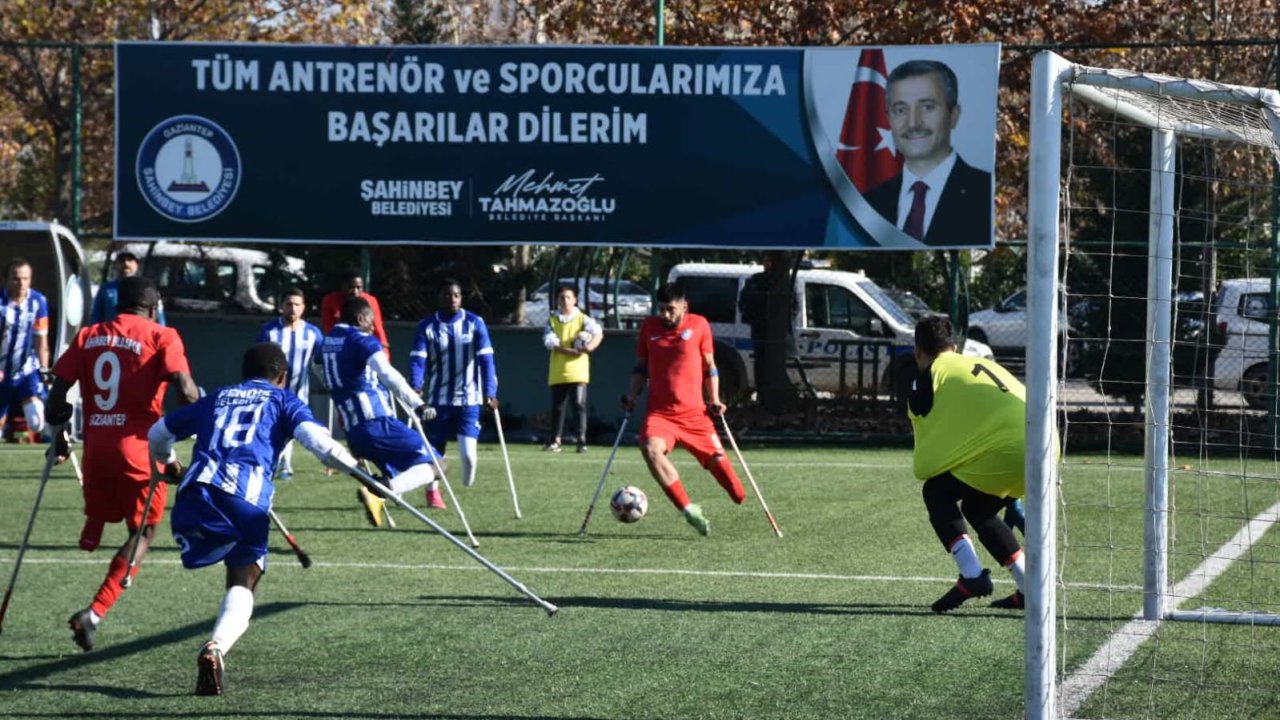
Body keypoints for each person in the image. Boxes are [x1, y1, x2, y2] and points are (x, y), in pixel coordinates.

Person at [146, 342, 360, 695]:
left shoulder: (216, 397)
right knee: (244, 581)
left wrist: (169, 464)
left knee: (234, 562)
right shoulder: (283, 399)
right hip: (246, 499)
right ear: (283, 377)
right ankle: (216, 647)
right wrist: (363, 475)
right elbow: (320, 443)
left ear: (244, 374)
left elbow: (157, 434)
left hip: (194, 497)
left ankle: (215, 648)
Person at [44, 276, 200, 651]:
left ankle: (90, 535)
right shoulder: (163, 335)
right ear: (153, 304)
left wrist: (61, 430)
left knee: (104, 507)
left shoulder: (88, 335)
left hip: (96, 449)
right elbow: (184, 386)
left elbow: (56, 394)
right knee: (144, 532)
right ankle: (94, 613)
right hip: (139, 453)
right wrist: (198, 413)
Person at [907, 315, 1026, 612]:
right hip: (1045, 447)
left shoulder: (929, 374)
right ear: (954, 346)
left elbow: (927, 447)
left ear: (918, 351)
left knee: (935, 491)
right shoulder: (983, 364)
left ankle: (972, 576)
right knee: (978, 508)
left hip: (1005, 451)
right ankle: (1029, 587)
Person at [621, 282, 746, 536]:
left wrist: (715, 398)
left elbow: (709, 365)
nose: (665, 315)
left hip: (695, 416)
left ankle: (732, 487)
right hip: (661, 415)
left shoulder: (699, 324)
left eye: (670, 309)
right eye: (661, 309)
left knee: (737, 492)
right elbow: (641, 367)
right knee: (650, 449)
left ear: (684, 306)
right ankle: (688, 509)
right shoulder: (649, 327)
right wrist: (631, 394)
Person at [322, 296, 442, 525]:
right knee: (438, 465)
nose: (373, 325)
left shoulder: (328, 341)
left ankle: (384, 489)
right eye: (371, 320)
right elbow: (388, 375)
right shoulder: (362, 341)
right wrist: (418, 405)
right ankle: (380, 491)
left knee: (398, 470)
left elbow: (318, 367)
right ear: (360, 318)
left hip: (353, 430)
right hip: (376, 423)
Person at [863, 59, 993, 247]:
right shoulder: (870, 204)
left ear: (953, 115)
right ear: (888, 119)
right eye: (900, 110)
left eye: (927, 107)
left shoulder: (984, 193)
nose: (913, 123)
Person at [409, 279, 498, 492]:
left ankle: (467, 489)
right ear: (439, 298)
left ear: (462, 298)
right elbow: (418, 359)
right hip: (438, 400)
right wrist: (416, 385)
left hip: (469, 399)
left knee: (468, 456)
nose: (452, 300)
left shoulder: (475, 323)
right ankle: (433, 492)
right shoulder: (427, 326)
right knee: (434, 451)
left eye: (456, 295)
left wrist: (490, 392)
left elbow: (486, 360)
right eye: (447, 295)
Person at [257, 287, 323, 479]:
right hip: (271, 392)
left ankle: (284, 466)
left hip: (298, 393)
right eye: (288, 304)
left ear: (303, 308)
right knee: (270, 427)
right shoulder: (269, 331)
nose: (292, 309)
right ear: (281, 306)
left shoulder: (313, 333)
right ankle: (274, 464)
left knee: (291, 429)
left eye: (297, 305)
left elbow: (321, 361)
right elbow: (259, 358)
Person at [542, 284, 602, 453]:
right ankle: (555, 440)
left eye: (569, 297)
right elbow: (549, 341)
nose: (565, 301)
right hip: (559, 370)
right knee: (558, 406)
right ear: (557, 300)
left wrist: (588, 347)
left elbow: (598, 333)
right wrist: (565, 350)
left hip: (578, 370)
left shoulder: (583, 319)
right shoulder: (553, 320)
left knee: (579, 405)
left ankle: (581, 440)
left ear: (575, 300)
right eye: (562, 297)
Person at [1, 258, 51, 441]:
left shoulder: (38, 301)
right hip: (1, 370)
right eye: (16, 278)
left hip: (26, 370)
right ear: (6, 279)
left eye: (25, 278)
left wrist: (44, 370)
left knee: (37, 420)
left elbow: (41, 339)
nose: (21, 283)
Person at [320, 269, 389, 357]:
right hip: (341, 347)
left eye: (358, 287)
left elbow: (378, 328)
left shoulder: (370, 301)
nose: (355, 291)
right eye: (350, 287)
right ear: (342, 286)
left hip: (365, 346)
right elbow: (328, 330)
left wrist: (384, 351)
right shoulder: (330, 301)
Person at [90, 251, 167, 325]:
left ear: (137, 265)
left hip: (140, 335)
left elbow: (159, 316)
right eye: (122, 260)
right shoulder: (106, 289)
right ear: (116, 265)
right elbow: (96, 316)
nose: (126, 263)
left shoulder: (147, 288)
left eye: (130, 260)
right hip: (112, 335)